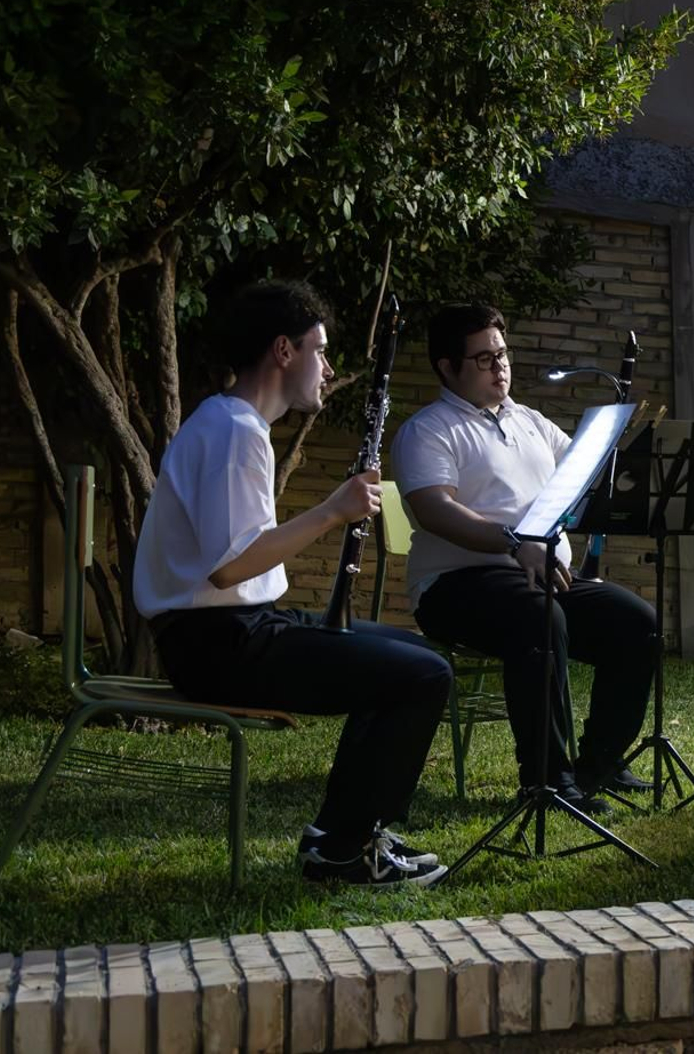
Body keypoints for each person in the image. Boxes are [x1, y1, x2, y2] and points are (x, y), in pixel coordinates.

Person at [134, 280, 453, 887]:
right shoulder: (234, 432)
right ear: (284, 351)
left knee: (415, 655)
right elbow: (230, 566)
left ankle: (342, 833)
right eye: (320, 350)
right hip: (217, 644)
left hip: (238, 628)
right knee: (423, 677)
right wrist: (332, 511)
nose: (328, 368)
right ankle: (344, 851)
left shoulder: (230, 422)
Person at [390, 302, 655, 816]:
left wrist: (618, 448)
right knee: (539, 619)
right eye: (485, 359)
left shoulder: (530, 421)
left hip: (541, 574)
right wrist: (514, 541)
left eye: (503, 354)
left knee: (636, 623)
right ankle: (547, 782)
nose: (501, 367)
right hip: (457, 583)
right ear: (447, 366)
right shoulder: (429, 429)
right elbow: (434, 509)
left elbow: (586, 470)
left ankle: (598, 762)